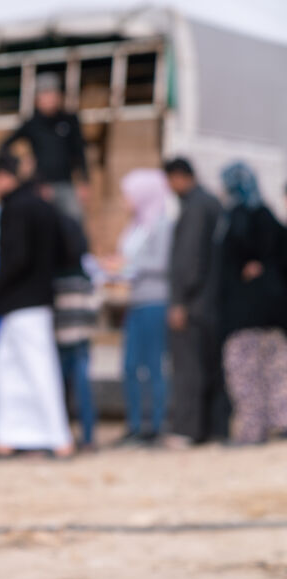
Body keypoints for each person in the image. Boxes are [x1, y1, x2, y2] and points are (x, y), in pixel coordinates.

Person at [0, 153, 74, 458]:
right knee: (6, 367)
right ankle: (13, 437)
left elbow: (16, 256)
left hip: (22, 299)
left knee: (37, 369)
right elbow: (66, 252)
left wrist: (0, 286)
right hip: (36, 297)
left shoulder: (15, 208)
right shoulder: (44, 206)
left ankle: (59, 440)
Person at [217, 161, 287, 445]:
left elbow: (229, 262)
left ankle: (252, 431)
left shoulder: (236, 218)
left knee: (245, 374)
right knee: (277, 373)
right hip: (276, 314)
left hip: (243, 315)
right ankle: (281, 424)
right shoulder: (270, 218)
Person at [163, 157, 224, 447]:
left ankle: (188, 429)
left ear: (179, 177)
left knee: (188, 368)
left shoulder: (196, 208)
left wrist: (179, 302)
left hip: (193, 304)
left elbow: (189, 260)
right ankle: (212, 428)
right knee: (208, 366)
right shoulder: (212, 203)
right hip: (212, 302)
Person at [113, 169, 175, 446]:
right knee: (129, 366)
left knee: (153, 366)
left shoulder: (162, 225)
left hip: (154, 301)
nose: (124, 200)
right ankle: (135, 424)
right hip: (134, 302)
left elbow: (162, 264)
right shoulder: (136, 226)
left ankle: (156, 425)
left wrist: (127, 266)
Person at [0, 72, 89, 222]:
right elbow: (5, 145)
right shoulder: (32, 124)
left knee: (74, 225)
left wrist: (84, 181)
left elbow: (79, 151)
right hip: (41, 186)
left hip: (67, 184)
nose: (50, 98)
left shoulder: (69, 120)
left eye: (53, 93)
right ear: (37, 99)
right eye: (45, 93)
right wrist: (20, 163)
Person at [53, 212, 99, 451]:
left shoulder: (54, 277)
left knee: (60, 387)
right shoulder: (83, 274)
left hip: (60, 337)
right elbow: (93, 306)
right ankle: (89, 435)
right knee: (83, 385)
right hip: (81, 336)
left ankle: (63, 434)